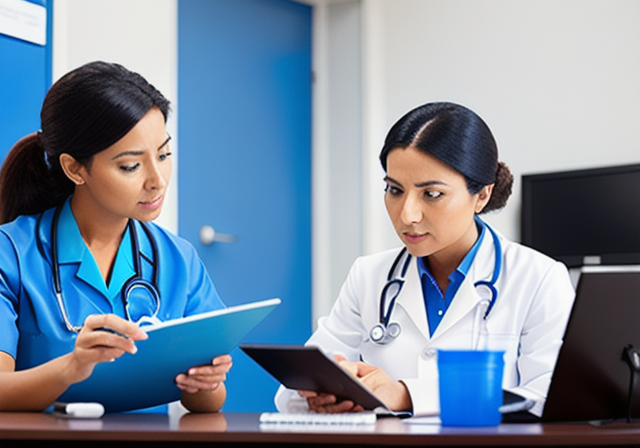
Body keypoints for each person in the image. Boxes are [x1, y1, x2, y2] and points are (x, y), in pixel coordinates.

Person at [274, 102, 575, 418]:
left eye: (431, 194)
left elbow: (547, 399)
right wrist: (324, 391)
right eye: (394, 190)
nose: (407, 214)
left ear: (482, 195)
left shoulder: (539, 278)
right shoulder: (369, 276)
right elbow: (292, 392)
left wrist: (407, 396)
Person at [0, 61, 231, 413]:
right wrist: (71, 367)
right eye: (130, 165)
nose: (157, 179)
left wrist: (206, 382)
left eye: (164, 154)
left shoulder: (178, 259)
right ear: (75, 168)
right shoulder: (10, 253)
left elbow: (209, 403)